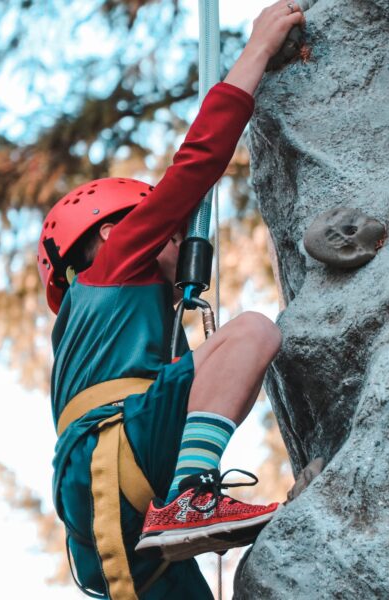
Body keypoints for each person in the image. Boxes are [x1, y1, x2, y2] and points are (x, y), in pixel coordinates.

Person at [36, 2, 306, 598]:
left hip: (104, 510)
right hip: (118, 453)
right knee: (254, 332)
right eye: (171, 230)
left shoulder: (101, 322)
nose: (181, 236)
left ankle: (183, 502)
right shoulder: (115, 262)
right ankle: (192, 494)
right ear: (111, 230)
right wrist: (258, 47)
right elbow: (197, 163)